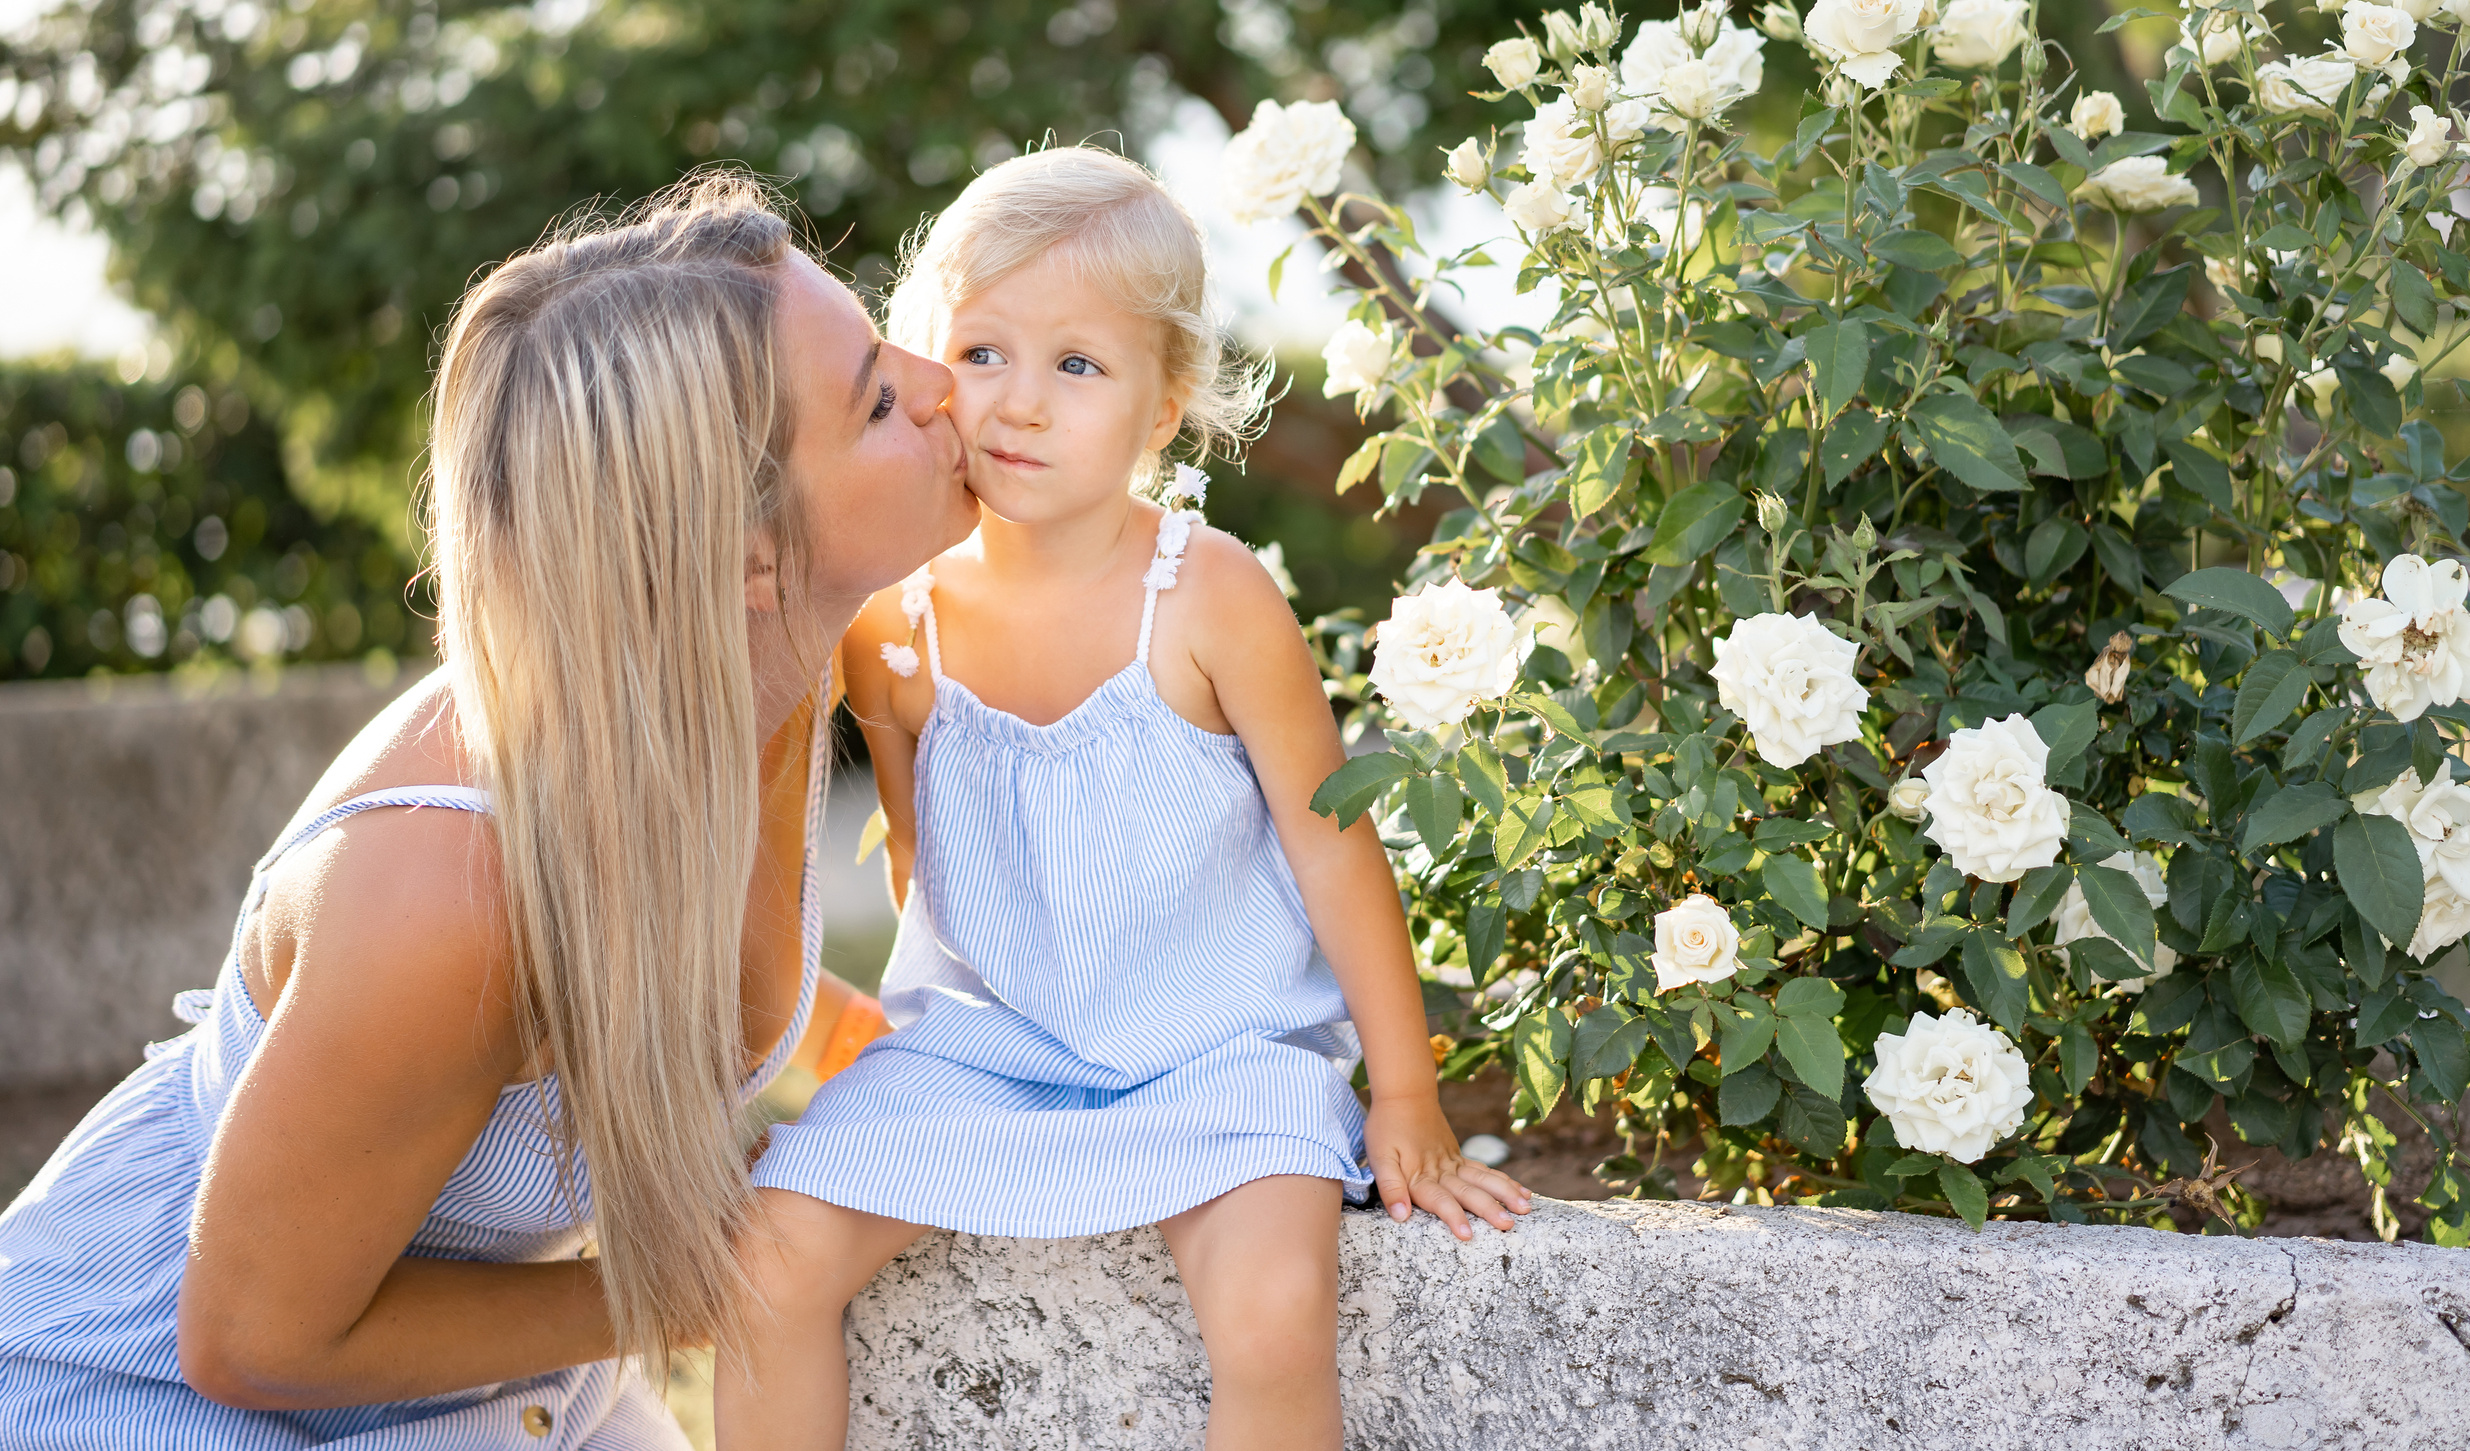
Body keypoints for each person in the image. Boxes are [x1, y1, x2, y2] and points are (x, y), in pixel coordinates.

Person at [0, 174, 975, 1446]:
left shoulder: (774, 671)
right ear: (738, 552)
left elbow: (710, 992)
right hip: (145, 1403)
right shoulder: (453, 890)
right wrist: (711, 1275)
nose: (945, 380)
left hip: (509, 1400)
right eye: (881, 400)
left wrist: (909, 1066)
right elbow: (249, 1339)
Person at [719, 146, 1532, 1451]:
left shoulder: (1206, 594)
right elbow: (927, 864)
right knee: (763, 1259)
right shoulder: (893, 624)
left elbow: (1333, 849)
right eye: (981, 352)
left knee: (1273, 1309)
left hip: (1224, 1048)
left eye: (1078, 365)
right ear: (926, 366)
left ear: (1165, 405)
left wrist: (1406, 1088)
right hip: (998, 1050)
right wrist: (907, 1048)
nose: (1020, 405)